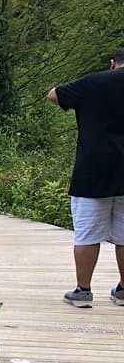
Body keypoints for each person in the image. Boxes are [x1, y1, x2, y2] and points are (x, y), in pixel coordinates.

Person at [48, 49, 124, 307]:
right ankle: (123, 291)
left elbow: (54, 95)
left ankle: (83, 291)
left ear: (113, 63)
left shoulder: (94, 81)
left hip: (93, 169)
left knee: (87, 234)